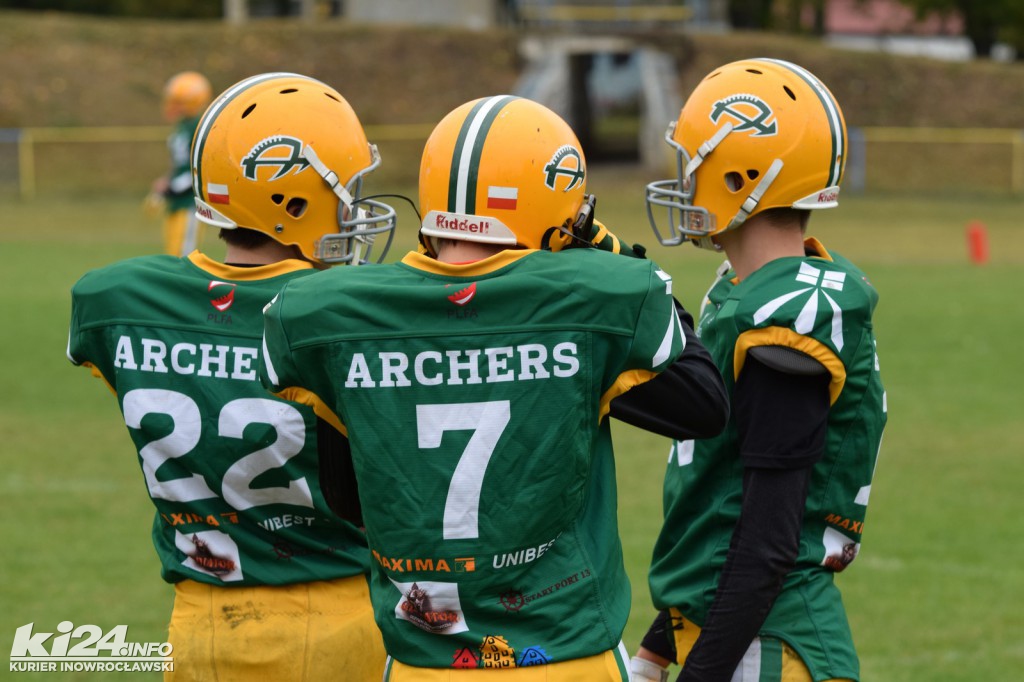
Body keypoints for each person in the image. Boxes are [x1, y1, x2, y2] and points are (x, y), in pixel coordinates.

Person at [259, 95, 728, 680]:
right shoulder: (595, 301)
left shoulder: (330, 314)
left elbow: (352, 500)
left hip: (424, 661)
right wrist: (608, 256)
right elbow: (705, 407)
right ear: (559, 208)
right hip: (566, 656)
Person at [67, 72, 397, 681]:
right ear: (293, 200)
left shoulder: (119, 299)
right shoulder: (343, 315)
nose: (354, 207)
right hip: (338, 618)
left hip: (198, 627)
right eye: (347, 189)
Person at [630, 58, 888, 682]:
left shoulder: (784, 318)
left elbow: (769, 539)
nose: (685, 181)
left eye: (696, 165)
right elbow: (723, 503)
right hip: (738, 628)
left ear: (741, 174)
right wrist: (657, 646)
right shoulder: (755, 292)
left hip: (764, 641)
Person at [147, 71, 211, 256]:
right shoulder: (182, 125)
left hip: (189, 201)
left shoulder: (199, 126)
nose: (172, 106)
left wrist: (172, 187)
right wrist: (166, 181)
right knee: (172, 253)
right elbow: (179, 163)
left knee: (184, 256)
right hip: (176, 201)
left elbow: (201, 167)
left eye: (178, 102)